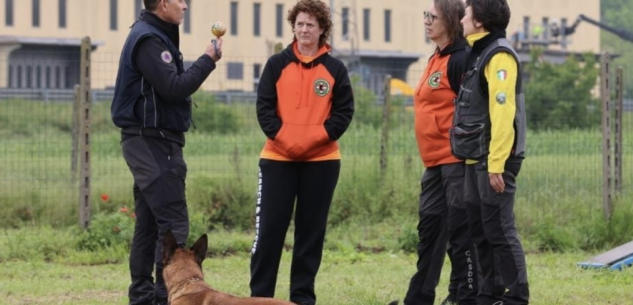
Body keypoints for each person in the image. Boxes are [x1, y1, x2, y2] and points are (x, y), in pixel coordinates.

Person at [110, 0, 222, 304]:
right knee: (173, 226)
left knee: (148, 225)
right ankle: (163, 299)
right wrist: (208, 60)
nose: (185, 6)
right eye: (180, 1)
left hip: (149, 140)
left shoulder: (154, 34)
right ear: (162, 4)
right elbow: (174, 87)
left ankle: (143, 298)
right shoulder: (148, 39)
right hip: (152, 142)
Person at [250, 0, 354, 304]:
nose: (304, 29)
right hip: (277, 159)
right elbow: (264, 109)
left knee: (310, 235)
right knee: (268, 233)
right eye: (299, 24)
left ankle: (302, 298)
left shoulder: (335, 69)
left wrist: (312, 141)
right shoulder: (275, 65)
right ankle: (261, 297)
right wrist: (286, 140)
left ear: (322, 29)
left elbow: (343, 113)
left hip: (321, 162)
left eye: (310, 24)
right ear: (293, 27)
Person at [451, 0, 528, 304]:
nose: (462, 19)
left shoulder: (499, 55)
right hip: (474, 157)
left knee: (499, 229)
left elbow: (502, 112)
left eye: (467, 13)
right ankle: (489, 294)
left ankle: (515, 297)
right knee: (480, 229)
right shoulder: (477, 52)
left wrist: (497, 164)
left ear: (480, 20)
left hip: (493, 160)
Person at [400, 1, 477, 305]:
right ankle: (419, 297)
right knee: (430, 230)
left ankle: (463, 297)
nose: (427, 21)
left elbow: (472, 109)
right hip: (432, 162)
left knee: (460, 234)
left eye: (433, 16)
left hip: (455, 161)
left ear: (451, 20)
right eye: (425, 16)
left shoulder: (461, 58)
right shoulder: (436, 57)